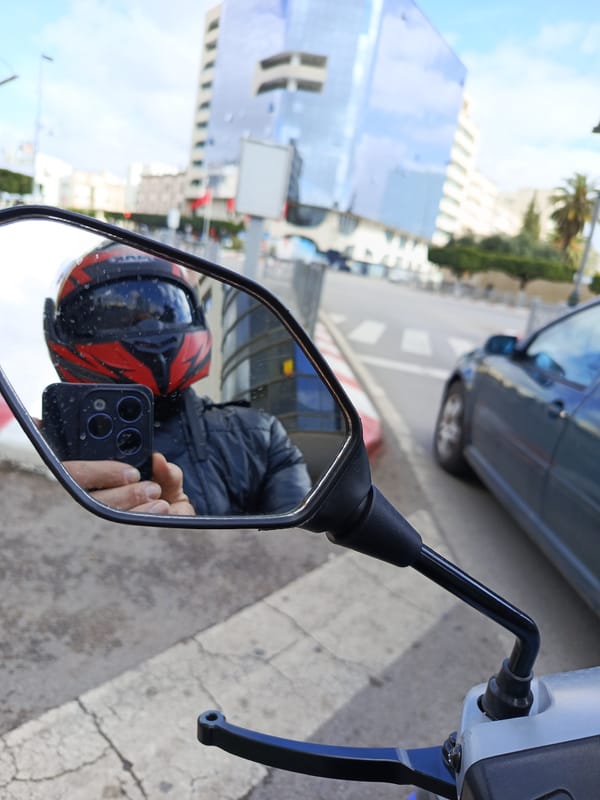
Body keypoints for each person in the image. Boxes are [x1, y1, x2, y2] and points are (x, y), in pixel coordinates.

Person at [43, 241, 312, 516]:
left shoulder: (261, 436)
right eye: (117, 313)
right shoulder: (47, 446)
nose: (149, 326)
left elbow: (296, 530)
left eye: (164, 309)